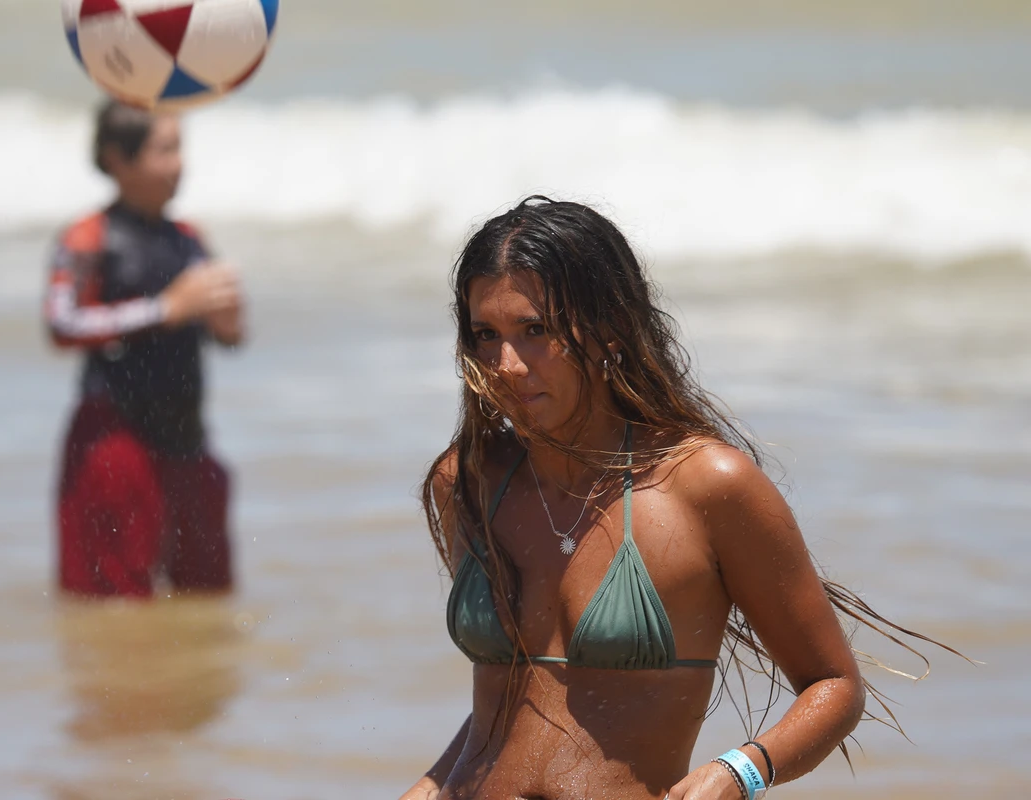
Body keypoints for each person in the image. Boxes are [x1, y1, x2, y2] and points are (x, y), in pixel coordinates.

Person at [405, 197, 956, 800]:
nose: (506, 364)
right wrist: (433, 782)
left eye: (535, 330)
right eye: (486, 334)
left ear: (608, 328)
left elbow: (834, 685)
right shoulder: (469, 481)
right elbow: (513, 697)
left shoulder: (705, 485)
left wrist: (740, 772)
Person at [45, 100, 245, 599]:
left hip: (187, 438)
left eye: (180, 149)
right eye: (165, 150)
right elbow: (61, 322)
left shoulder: (190, 237)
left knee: (207, 596)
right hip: (114, 438)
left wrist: (227, 322)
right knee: (111, 601)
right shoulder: (89, 235)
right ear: (118, 158)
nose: (179, 163)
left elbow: (229, 336)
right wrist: (166, 309)